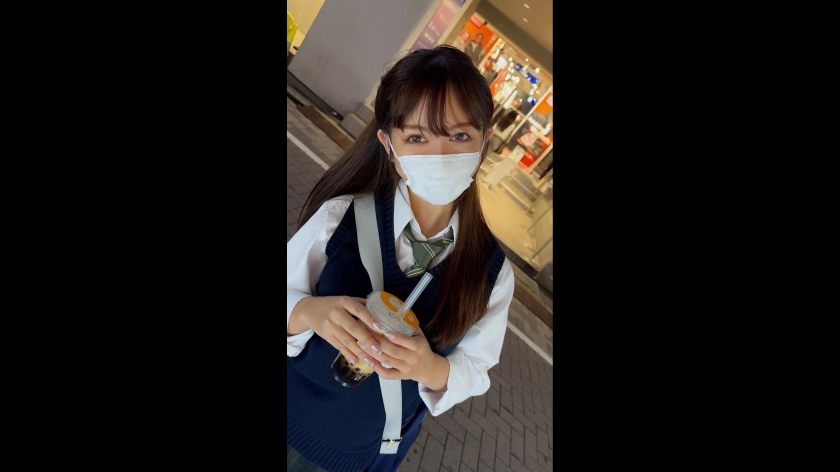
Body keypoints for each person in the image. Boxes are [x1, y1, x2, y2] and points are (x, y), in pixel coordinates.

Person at [286, 46, 515, 472]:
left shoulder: (492, 273)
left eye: (459, 136)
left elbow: (476, 369)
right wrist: (309, 312)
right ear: (387, 144)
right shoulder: (340, 218)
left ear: (485, 141)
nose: (439, 156)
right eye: (416, 138)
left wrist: (429, 368)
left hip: (357, 457)